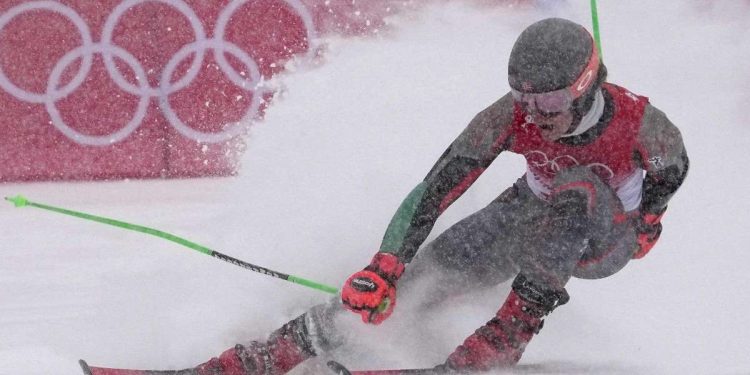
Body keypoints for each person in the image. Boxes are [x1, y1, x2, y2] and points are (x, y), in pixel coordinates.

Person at [191, 17, 689, 374]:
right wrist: (387, 264)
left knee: (576, 189)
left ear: (584, 87)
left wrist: (650, 217)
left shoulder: (641, 123)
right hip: (531, 210)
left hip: (604, 236)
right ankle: (278, 351)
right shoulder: (509, 116)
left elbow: (674, 168)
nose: (537, 114)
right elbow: (437, 187)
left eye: (551, 101)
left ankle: (505, 337)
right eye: (525, 99)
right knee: (418, 282)